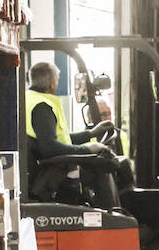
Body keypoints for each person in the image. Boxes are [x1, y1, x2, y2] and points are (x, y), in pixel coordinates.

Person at [25, 62, 119, 207]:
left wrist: (90, 134)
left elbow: (58, 139)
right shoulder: (42, 106)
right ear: (52, 83)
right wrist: (88, 150)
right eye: (56, 79)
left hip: (51, 169)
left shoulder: (30, 99)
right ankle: (113, 212)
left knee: (100, 163)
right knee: (105, 166)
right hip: (54, 176)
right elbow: (49, 148)